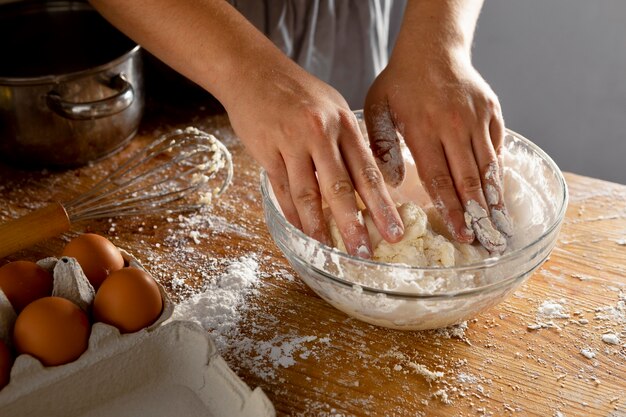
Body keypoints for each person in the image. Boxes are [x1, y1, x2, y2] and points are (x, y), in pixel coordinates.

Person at [89, 0, 511, 257]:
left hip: (344, 20)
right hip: (184, 36)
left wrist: (440, 40)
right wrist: (244, 70)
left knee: (350, 156)